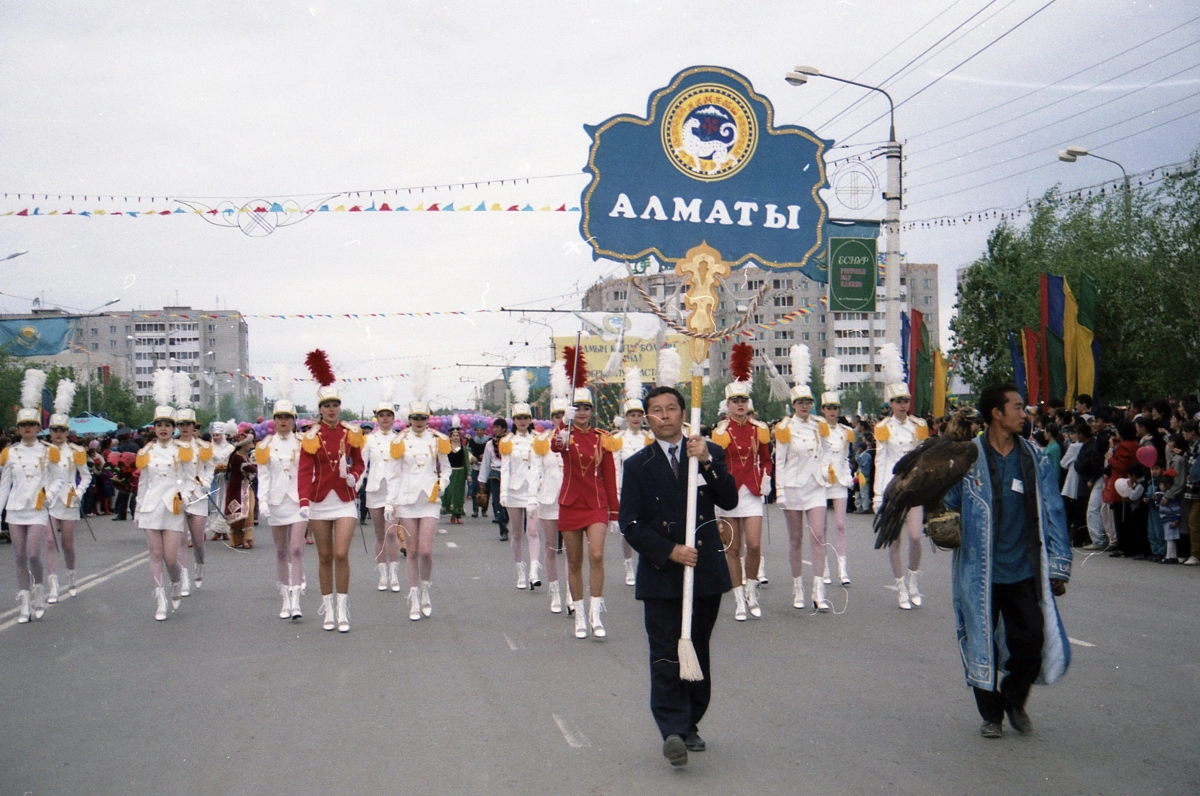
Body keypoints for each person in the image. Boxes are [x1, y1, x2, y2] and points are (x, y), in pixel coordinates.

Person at [943, 383, 1072, 739]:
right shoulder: (967, 456)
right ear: (996, 414)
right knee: (979, 641)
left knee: (1032, 637)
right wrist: (941, 522)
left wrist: (1059, 565)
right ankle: (991, 715)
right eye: (1017, 407)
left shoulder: (1034, 456)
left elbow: (1052, 510)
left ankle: (1014, 698)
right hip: (977, 570)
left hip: (1022, 569)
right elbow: (947, 502)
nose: (1024, 414)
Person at [619, 385, 738, 767]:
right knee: (666, 652)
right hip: (662, 572)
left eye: (672, 408)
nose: (665, 415)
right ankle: (671, 728)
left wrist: (706, 461)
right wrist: (670, 551)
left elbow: (729, 499)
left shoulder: (705, 452)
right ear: (648, 417)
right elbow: (631, 524)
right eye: (657, 410)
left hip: (704, 572)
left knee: (697, 646)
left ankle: (691, 723)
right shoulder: (638, 464)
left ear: (683, 414)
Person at [297, 367, 366, 633]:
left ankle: (342, 607)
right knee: (324, 556)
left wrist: (355, 476)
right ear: (320, 409)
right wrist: (303, 501)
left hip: (345, 499)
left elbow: (360, 462)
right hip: (319, 500)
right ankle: (327, 609)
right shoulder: (311, 436)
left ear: (339, 407)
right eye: (327, 406)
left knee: (340, 553)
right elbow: (304, 470)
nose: (332, 409)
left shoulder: (352, 432)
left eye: (335, 404)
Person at [552, 383, 620, 639]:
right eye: (577, 407)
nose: (581, 412)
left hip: (596, 503)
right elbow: (554, 447)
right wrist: (562, 424)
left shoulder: (602, 438)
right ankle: (579, 613)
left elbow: (610, 477)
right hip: (570, 503)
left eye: (586, 408)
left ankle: (595, 613)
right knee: (574, 561)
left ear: (592, 410)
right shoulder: (565, 435)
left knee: (597, 555)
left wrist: (614, 512)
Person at [711, 343, 772, 621]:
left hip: (753, 492)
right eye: (735, 401)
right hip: (728, 494)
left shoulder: (760, 430)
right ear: (728, 405)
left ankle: (751, 591)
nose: (740, 405)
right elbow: (715, 464)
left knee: (755, 546)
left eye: (743, 401)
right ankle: (738, 599)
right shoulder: (720, 432)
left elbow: (766, 458)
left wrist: (768, 478)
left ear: (748, 404)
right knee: (732, 548)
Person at [873, 344, 930, 610]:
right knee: (894, 540)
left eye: (905, 401)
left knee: (916, 537)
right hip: (893, 489)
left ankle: (913, 580)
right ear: (890, 404)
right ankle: (900, 586)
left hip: (915, 487)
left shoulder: (920, 426)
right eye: (898, 401)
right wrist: (878, 495)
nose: (902, 405)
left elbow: (924, 459)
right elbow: (881, 460)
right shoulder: (882, 428)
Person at [386, 398, 451, 621]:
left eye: (423, 418)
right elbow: (393, 474)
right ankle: (413, 595)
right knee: (412, 551)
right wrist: (390, 501)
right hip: (406, 499)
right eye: (415, 418)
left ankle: (425, 589)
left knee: (426, 551)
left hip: (430, 500)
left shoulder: (438, 440)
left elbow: (447, 468)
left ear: (428, 419)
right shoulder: (399, 441)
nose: (419, 421)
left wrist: (443, 482)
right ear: (409, 419)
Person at [774, 348, 828, 611]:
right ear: (793, 405)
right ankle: (798, 587)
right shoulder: (785, 428)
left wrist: (828, 473)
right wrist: (780, 490)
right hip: (794, 488)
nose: (805, 406)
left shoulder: (819, 425)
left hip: (815, 487)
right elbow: (779, 461)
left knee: (818, 535)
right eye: (800, 403)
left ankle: (819, 589)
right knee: (796, 539)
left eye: (808, 402)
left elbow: (827, 452)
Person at [0, 371, 52, 624]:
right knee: (19, 556)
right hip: (15, 508)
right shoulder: (9, 453)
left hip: (38, 508)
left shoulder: (48, 451)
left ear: (38, 428)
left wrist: (50, 494)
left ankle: (39, 591)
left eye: (31, 425)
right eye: (23, 425)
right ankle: (24, 601)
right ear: (19, 429)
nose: (27, 429)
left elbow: (59, 478)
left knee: (33, 554)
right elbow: (4, 485)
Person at [135, 391, 187, 621]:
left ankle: (176, 580)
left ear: (173, 428)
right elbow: (143, 484)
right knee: (155, 554)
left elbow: (189, 479)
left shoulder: (182, 451)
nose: (163, 428)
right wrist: (137, 510)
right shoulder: (145, 453)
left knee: (170, 557)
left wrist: (183, 496)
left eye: (168, 425)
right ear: (154, 428)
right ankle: (160, 599)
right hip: (150, 508)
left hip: (172, 508)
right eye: (159, 425)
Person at [255, 396, 307, 620]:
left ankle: (296, 600)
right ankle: (285, 597)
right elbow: (263, 475)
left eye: (288, 417)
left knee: (296, 548)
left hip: (298, 501)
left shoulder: (305, 443)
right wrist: (262, 501)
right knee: (280, 551)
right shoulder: (264, 446)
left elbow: (310, 472)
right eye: (280, 417)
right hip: (276, 501)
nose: (284, 421)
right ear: (274, 421)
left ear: (294, 420)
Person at [42, 382, 91, 604]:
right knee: (50, 542)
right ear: (50, 431)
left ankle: (70, 574)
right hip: (49, 501)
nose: (58, 434)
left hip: (69, 500)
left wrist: (79, 492)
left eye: (62, 430)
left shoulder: (76, 451)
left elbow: (87, 476)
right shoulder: (42, 451)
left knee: (67, 545)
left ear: (67, 432)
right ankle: (53, 583)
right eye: (55, 430)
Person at [611, 367, 653, 587]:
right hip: (626, 489)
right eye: (632, 415)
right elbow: (616, 468)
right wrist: (617, 492)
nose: (636, 418)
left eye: (639, 415)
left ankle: (645, 563)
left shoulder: (649, 438)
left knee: (648, 528)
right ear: (625, 417)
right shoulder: (618, 439)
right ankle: (628, 564)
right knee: (627, 531)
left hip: (647, 490)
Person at [499, 391, 542, 590]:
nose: (522, 421)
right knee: (516, 533)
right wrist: (503, 492)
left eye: (525, 418)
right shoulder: (507, 441)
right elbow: (505, 468)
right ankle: (520, 570)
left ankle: (534, 570)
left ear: (530, 419)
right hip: (514, 490)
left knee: (532, 531)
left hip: (533, 491)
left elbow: (539, 467)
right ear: (514, 420)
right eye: (519, 418)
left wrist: (536, 491)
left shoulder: (538, 440)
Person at [173, 386, 213, 597]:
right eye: (181, 424)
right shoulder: (170, 446)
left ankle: (200, 562)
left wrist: (205, 481)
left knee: (198, 540)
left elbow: (210, 467)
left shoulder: (202, 447)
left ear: (193, 425)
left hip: (198, 496)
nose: (185, 427)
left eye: (188, 424)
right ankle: (184, 578)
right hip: (178, 497)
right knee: (181, 539)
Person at [363, 396, 403, 592]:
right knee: (379, 534)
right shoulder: (369, 439)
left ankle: (394, 573)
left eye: (388, 415)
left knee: (391, 532)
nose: (385, 419)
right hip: (374, 490)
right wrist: (353, 485)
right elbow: (362, 464)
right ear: (376, 418)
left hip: (393, 491)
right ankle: (382, 573)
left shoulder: (400, 438)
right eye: (381, 415)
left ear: (393, 418)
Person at [534, 392, 569, 613]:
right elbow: (535, 470)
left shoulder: (577, 437)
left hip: (572, 498)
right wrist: (531, 496)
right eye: (556, 415)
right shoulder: (541, 441)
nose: (559, 419)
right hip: (548, 498)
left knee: (570, 550)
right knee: (551, 546)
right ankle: (555, 591)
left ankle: (572, 594)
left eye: (563, 415)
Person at [819, 374, 855, 589]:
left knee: (840, 525)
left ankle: (843, 568)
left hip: (840, 480)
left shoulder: (846, 432)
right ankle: (823, 566)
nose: (832, 411)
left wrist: (848, 473)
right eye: (828, 407)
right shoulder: (817, 430)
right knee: (821, 527)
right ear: (823, 409)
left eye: (835, 407)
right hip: (822, 481)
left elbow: (846, 456)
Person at [225, 426, 258, 550]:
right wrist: (257, 467)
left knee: (249, 511)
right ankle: (239, 539)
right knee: (240, 512)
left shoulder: (245, 455)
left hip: (246, 486)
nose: (251, 444)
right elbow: (250, 469)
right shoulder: (237, 457)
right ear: (243, 445)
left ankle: (246, 538)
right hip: (237, 488)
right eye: (249, 442)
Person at [477, 418, 510, 539]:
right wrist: (482, 481)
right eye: (494, 427)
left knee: (509, 502)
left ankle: (505, 519)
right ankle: (503, 528)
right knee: (497, 502)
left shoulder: (511, 442)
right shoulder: (490, 444)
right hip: (495, 474)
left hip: (509, 474)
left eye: (498, 427)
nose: (495, 430)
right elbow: (486, 462)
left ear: (504, 429)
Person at [207, 422, 235, 541]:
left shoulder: (230, 448)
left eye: (218, 435)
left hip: (226, 479)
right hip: (214, 480)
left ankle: (224, 530)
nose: (215, 437)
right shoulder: (209, 449)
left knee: (225, 503)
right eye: (214, 435)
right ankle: (216, 530)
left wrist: (227, 468)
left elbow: (233, 462)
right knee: (215, 503)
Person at [440, 425, 469, 524]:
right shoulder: (447, 448)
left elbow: (466, 462)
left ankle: (458, 514)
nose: (456, 437)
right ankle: (452, 511)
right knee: (450, 492)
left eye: (457, 435)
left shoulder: (463, 449)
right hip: (450, 472)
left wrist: (468, 474)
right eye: (454, 435)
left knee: (459, 493)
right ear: (450, 437)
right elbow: (443, 461)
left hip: (460, 472)